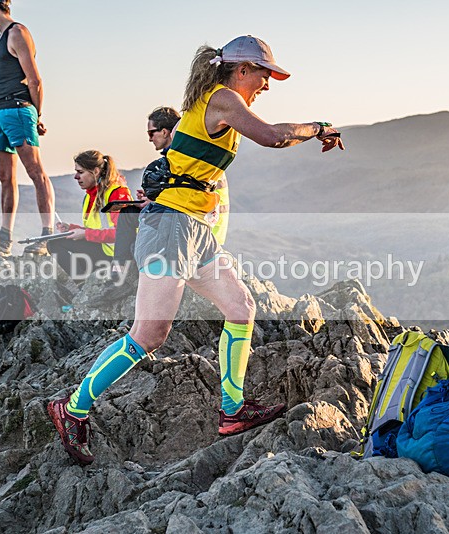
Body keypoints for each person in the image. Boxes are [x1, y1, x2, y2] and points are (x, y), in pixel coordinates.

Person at [47, 35, 344, 465]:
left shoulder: (216, 100)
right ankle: (71, 409)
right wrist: (319, 128)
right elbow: (270, 135)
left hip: (194, 229)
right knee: (149, 334)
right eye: (264, 75)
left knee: (240, 307)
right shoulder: (222, 97)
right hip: (171, 226)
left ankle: (232, 410)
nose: (267, 84)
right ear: (241, 70)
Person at [91, 106, 230, 305]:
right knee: (131, 217)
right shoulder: (189, 155)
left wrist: (154, 203)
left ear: (165, 132)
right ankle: (121, 273)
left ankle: (121, 277)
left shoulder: (184, 158)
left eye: (151, 132)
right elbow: (186, 194)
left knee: (134, 235)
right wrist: (153, 200)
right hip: (196, 226)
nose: (149, 138)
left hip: (198, 233)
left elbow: (190, 200)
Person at [0, 0, 56, 255]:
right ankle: (5, 236)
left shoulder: (17, 32)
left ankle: (48, 235)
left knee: (35, 172)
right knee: (5, 178)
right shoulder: (0, 39)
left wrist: (36, 114)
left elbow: (35, 79)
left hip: (18, 109)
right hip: (0, 113)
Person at [46, 151, 133, 281]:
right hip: (104, 250)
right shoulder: (90, 196)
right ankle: (84, 286)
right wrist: (72, 228)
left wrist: (85, 235)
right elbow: (97, 228)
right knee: (54, 243)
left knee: (58, 245)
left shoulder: (117, 194)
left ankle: (85, 288)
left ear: (96, 171)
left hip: (120, 258)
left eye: (80, 172)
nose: (75, 177)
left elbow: (123, 234)